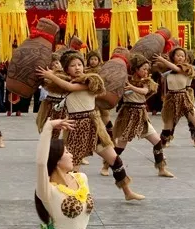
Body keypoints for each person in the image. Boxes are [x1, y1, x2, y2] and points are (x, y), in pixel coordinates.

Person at [37, 50, 144, 201]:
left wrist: (51, 76)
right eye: (73, 65)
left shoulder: (91, 80)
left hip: (94, 125)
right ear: (67, 69)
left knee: (114, 159)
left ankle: (127, 192)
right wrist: (47, 75)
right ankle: (71, 198)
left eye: (80, 64)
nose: (77, 68)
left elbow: (71, 87)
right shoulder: (63, 82)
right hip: (75, 127)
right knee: (73, 167)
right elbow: (58, 85)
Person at [113, 53, 173, 178]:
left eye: (147, 69)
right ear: (135, 69)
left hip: (141, 115)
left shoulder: (146, 81)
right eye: (143, 69)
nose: (146, 71)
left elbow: (145, 91)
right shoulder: (125, 79)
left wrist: (132, 87)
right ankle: (107, 164)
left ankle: (161, 168)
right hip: (128, 115)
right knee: (120, 147)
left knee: (157, 142)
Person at [156, 47, 195, 150]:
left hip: (184, 98)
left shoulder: (188, 68)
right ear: (173, 57)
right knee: (167, 129)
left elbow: (177, 69)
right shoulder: (168, 70)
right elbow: (157, 68)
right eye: (178, 55)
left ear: (185, 58)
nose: (180, 57)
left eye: (182, 56)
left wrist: (163, 60)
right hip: (171, 99)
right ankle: (160, 149)